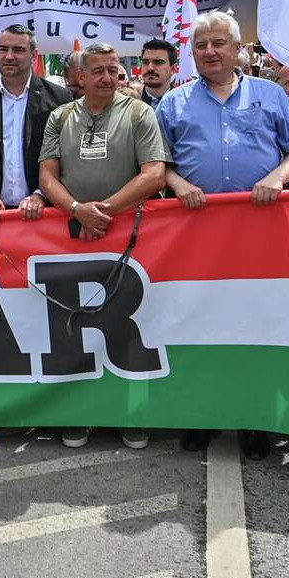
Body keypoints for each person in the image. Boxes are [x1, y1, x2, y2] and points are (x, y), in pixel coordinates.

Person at [155, 12, 289, 458]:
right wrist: (179, 184)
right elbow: (158, 163)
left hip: (259, 231)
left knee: (257, 323)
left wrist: (278, 178)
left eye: (219, 43)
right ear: (192, 52)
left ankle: (254, 420)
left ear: (238, 48)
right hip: (195, 233)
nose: (210, 51)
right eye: (201, 45)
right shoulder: (173, 102)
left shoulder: (270, 94)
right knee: (197, 323)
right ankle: (200, 416)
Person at [39, 42, 169, 451]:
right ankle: (80, 415)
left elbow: (155, 174)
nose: (108, 78)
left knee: (129, 331)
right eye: (99, 71)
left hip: (128, 238)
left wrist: (105, 211)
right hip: (75, 238)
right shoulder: (60, 118)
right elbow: (46, 177)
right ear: (79, 76)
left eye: (114, 70)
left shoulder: (139, 113)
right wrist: (78, 210)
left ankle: (133, 415)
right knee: (74, 329)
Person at [0, 23, 72, 221]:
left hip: (43, 214)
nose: (9, 56)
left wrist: (41, 194)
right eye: (3, 49)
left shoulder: (59, 98)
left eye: (18, 50)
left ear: (34, 56)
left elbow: (68, 156)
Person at [138, 38, 177, 106]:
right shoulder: (129, 103)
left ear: (173, 69)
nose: (150, 68)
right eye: (145, 62)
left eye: (158, 62)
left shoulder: (184, 103)